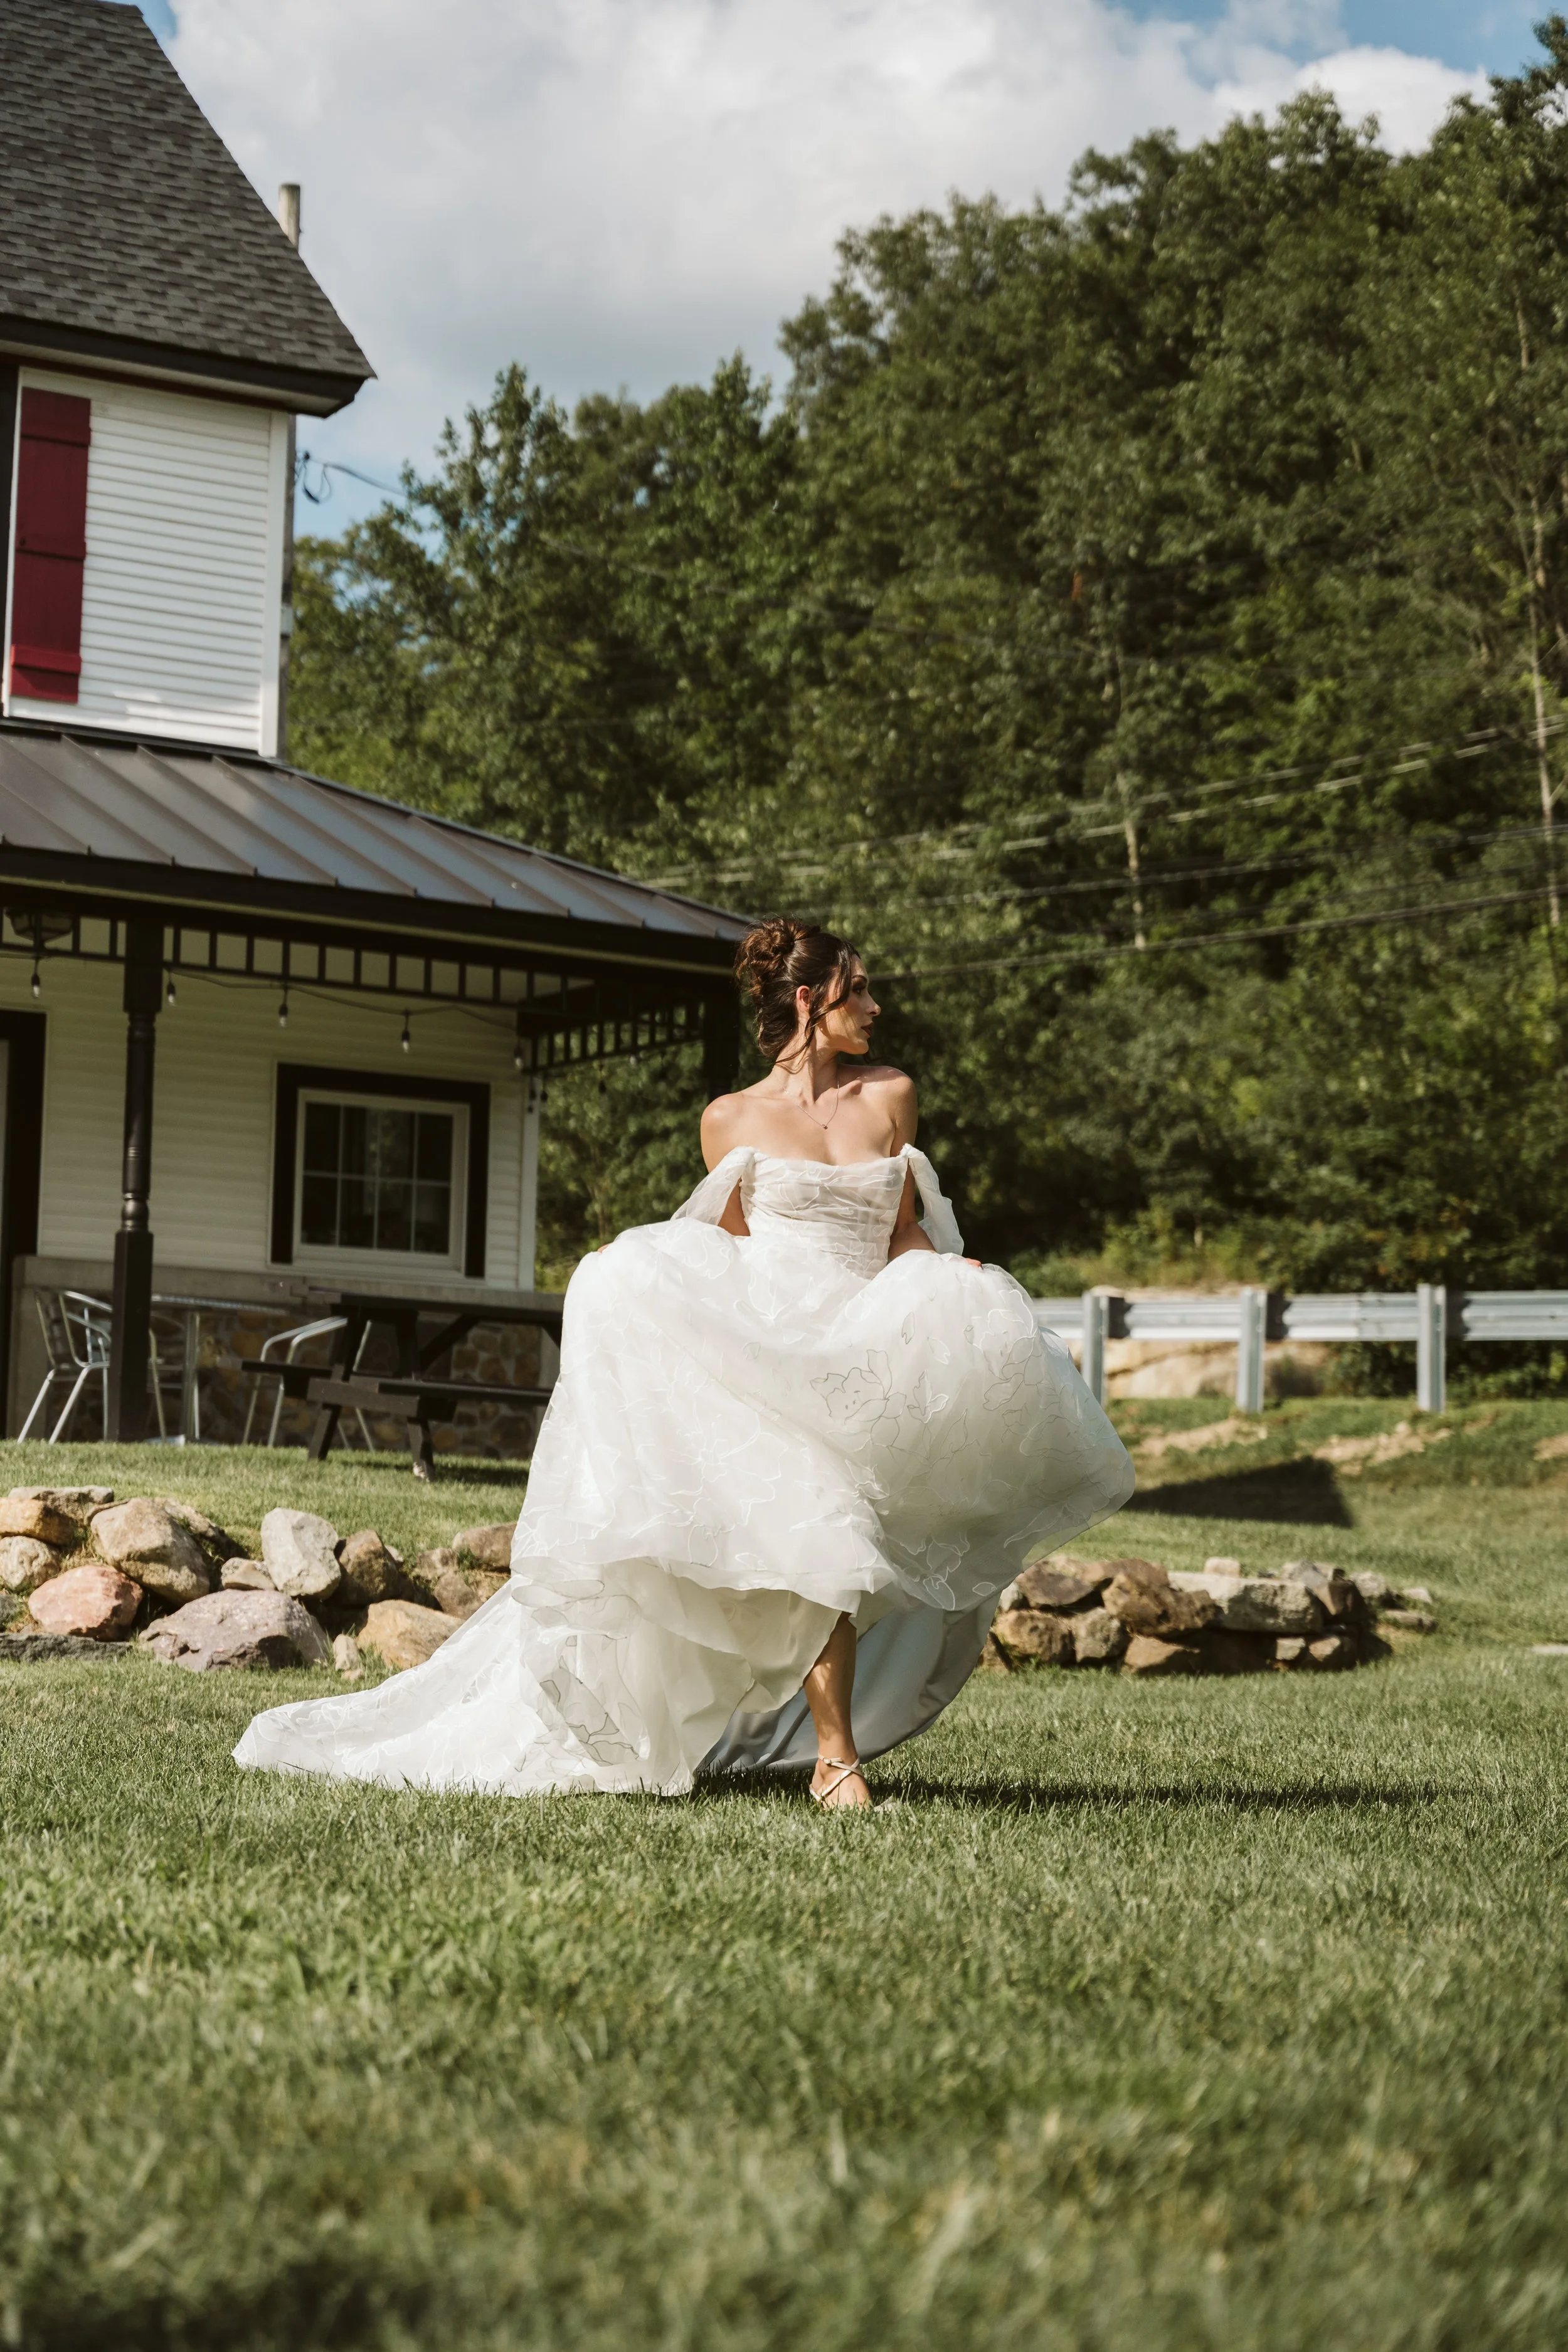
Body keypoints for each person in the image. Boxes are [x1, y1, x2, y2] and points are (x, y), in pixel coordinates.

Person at [234, 919, 1134, 1808]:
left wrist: (947, 1273)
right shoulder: (729, 1119)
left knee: (849, 1546)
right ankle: (836, 1763)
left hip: (862, 1349)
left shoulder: (890, 1094)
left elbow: (902, 1235)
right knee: (818, 1533)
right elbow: (731, 1257)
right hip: (773, 1356)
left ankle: (794, 1746)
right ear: (814, 999)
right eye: (860, 988)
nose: (877, 1004)